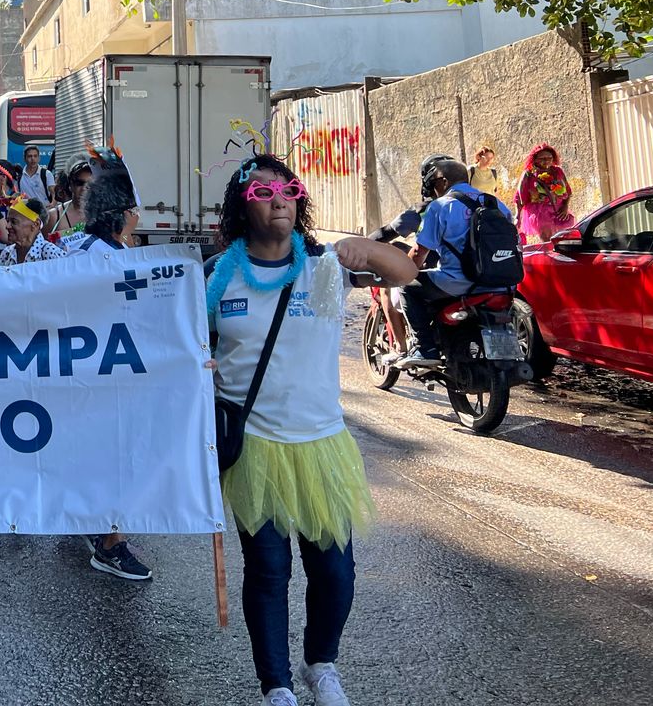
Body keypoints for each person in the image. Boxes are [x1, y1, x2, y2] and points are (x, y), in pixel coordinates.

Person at [208, 156, 416, 706]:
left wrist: (366, 249)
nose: (278, 198)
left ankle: (320, 664)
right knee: (269, 570)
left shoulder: (325, 267)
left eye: (289, 189)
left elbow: (406, 272)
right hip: (253, 444)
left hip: (321, 442)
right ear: (241, 204)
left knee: (335, 572)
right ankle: (276, 686)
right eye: (263, 190)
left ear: (300, 202)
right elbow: (185, 350)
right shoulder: (218, 276)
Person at [60, 144, 154, 580]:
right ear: (121, 212)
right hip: (105, 376)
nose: (138, 214)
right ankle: (111, 544)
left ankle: (98, 527)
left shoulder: (83, 247)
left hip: (85, 374)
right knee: (119, 459)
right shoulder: (107, 258)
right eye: (133, 207)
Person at [394, 158, 513, 369]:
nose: (432, 189)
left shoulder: (441, 206)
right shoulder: (497, 204)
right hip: (502, 283)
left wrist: (403, 271)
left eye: (434, 183)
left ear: (443, 182)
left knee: (406, 287)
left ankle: (424, 347)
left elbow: (419, 253)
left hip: (458, 282)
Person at [514, 142, 574, 242]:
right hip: (540, 213)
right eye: (542, 159)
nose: (546, 161)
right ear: (535, 160)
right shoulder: (529, 174)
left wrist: (565, 207)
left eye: (549, 158)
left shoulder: (557, 171)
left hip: (558, 210)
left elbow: (568, 191)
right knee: (548, 241)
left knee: (561, 240)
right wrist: (517, 216)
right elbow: (519, 196)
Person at [0, 196, 66, 265]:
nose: (7, 226)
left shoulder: (51, 254)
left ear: (36, 224)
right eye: (7, 221)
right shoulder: (6, 254)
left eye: (13, 222)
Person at [49, 158, 92, 241]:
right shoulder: (54, 216)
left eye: (90, 184)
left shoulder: (104, 216)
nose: (84, 188)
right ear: (70, 186)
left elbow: (123, 240)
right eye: (79, 183)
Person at [17, 144, 55, 208]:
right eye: (30, 156)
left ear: (39, 158)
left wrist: (53, 204)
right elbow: (17, 194)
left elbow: (54, 192)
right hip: (26, 212)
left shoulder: (46, 174)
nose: (33, 159)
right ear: (24, 158)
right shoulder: (19, 176)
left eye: (35, 156)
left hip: (44, 212)